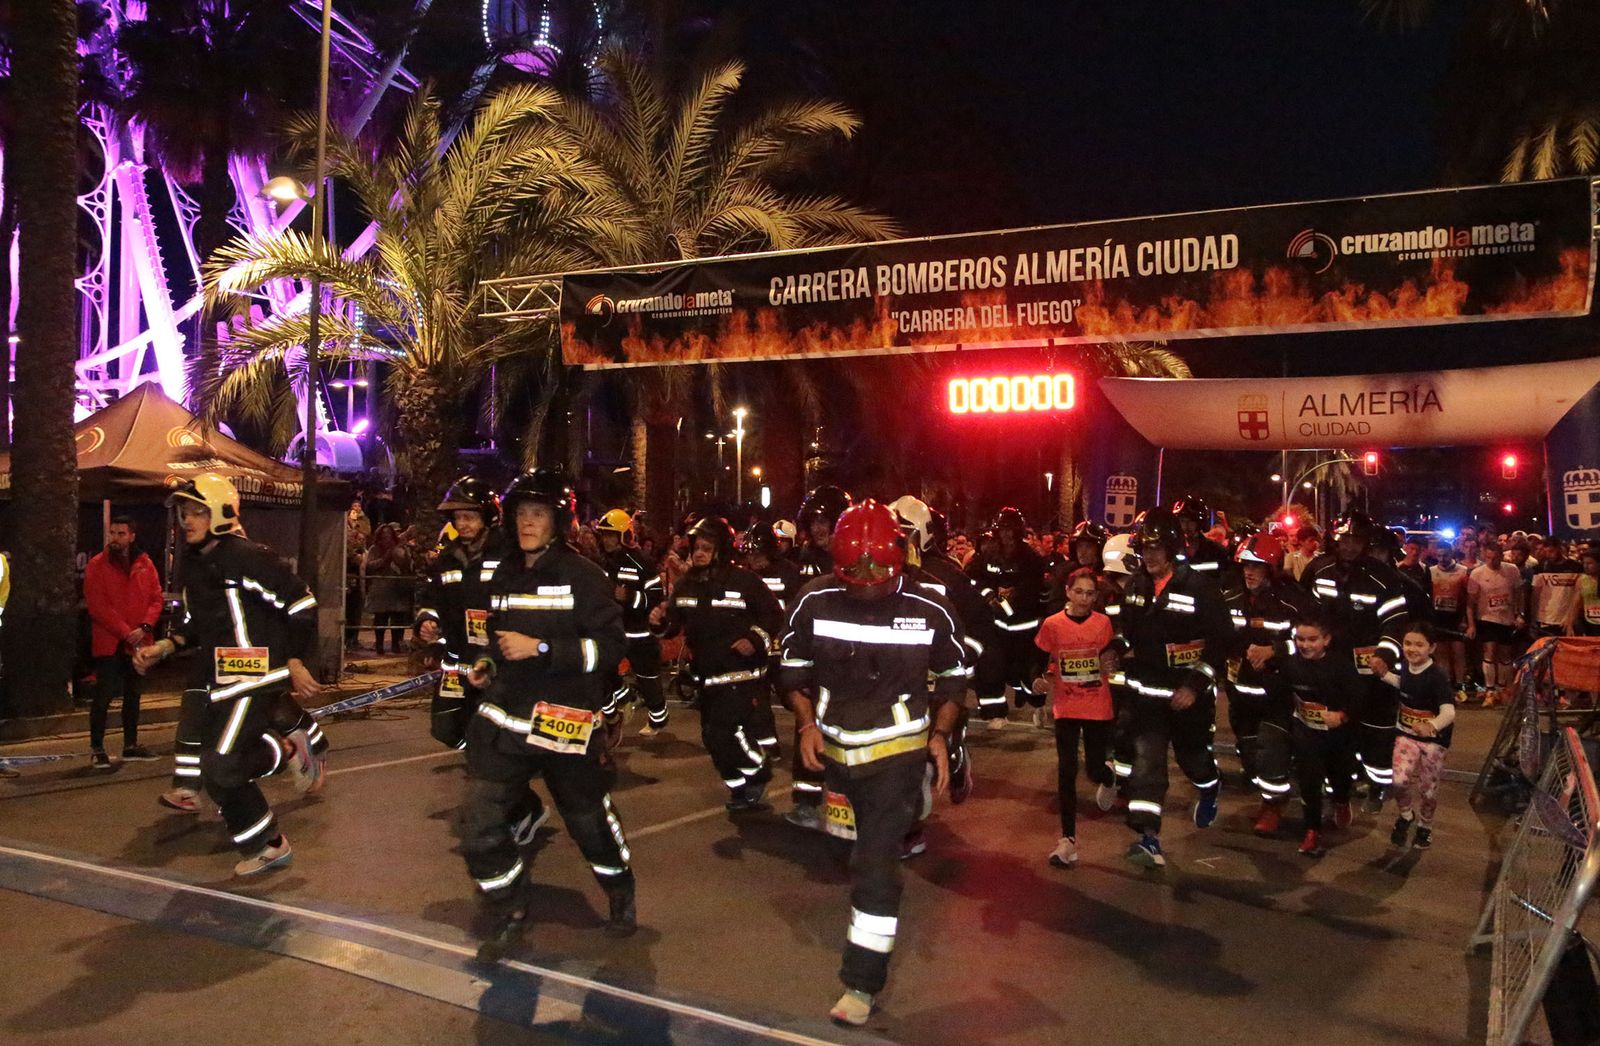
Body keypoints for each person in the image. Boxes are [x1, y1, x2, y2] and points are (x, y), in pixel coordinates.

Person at [778, 500, 968, 1026]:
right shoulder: (813, 601)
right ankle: (915, 805)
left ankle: (860, 984)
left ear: (900, 559)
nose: (866, 583)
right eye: (853, 573)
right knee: (844, 854)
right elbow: (791, 673)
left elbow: (954, 678)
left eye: (877, 572)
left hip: (896, 755)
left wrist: (940, 735)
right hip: (836, 754)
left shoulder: (931, 607)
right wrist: (807, 726)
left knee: (875, 869)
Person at [458, 468, 635, 960]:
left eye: (538, 514)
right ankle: (510, 904)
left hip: (566, 719)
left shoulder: (584, 576)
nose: (526, 523)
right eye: (520, 513)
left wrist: (541, 647)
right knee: (475, 824)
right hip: (507, 718)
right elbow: (498, 636)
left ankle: (619, 888)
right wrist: (488, 663)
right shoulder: (504, 572)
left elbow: (611, 649)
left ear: (559, 521)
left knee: (588, 824)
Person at [133, 474, 324, 876]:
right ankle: (277, 795)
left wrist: (294, 660)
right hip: (222, 681)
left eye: (197, 511)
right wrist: (165, 647)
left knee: (220, 765)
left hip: (257, 679)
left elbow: (301, 601)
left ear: (220, 512)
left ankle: (271, 843)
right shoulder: (196, 565)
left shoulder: (247, 556)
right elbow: (196, 625)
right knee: (216, 768)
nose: (188, 520)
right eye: (184, 512)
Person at [1115, 508, 1232, 868]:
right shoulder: (1135, 585)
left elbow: (1222, 641)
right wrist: (1117, 650)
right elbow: (1124, 628)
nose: (1149, 556)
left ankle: (1209, 786)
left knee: (1191, 757)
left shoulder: (1199, 587)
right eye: (1144, 548)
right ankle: (1148, 837)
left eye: (1156, 548)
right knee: (1147, 763)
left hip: (1187, 697)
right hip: (1147, 695)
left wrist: (1195, 686)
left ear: (1172, 548)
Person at [649, 516, 784, 810]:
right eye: (696, 546)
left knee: (724, 731)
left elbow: (774, 616)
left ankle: (758, 769)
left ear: (721, 549)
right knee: (712, 738)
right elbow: (674, 624)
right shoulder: (686, 585)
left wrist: (754, 639)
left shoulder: (745, 581)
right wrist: (660, 622)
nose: (698, 553)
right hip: (707, 676)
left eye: (706, 547)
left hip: (741, 674)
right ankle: (739, 786)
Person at [1301, 513, 1419, 812]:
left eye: (1356, 541)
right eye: (1345, 540)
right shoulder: (1319, 569)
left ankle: (1377, 784)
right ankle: (1338, 784)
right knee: (1335, 727)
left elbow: (1395, 623)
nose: (1350, 547)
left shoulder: (1383, 577)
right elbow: (1305, 615)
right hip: (1331, 666)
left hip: (1372, 671)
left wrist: (1385, 655)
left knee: (1376, 730)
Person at [899, 500, 989, 805]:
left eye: (904, 532)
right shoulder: (882, 576)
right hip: (901, 678)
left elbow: (980, 621)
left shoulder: (947, 576)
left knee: (943, 735)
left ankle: (956, 758)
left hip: (940, 678)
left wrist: (961, 658)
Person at [1222, 532, 1307, 836]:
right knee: (1249, 753)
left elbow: (1309, 643)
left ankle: (1273, 806)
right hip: (1239, 693)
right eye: (1245, 565)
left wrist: (1275, 651)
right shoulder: (1230, 599)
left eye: (1256, 566)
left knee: (1272, 749)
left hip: (1276, 696)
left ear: (1270, 570)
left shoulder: (1291, 603)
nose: (1249, 572)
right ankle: (1265, 789)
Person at [416, 477, 509, 749]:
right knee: (444, 727)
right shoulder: (448, 559)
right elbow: (432, 598)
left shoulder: (508, 556)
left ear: (489, 517)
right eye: (458, 517)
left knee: (489, 728)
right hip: (456, 662)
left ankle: (491, 763)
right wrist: (427, 621)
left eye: (469, 516)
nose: (462, 524)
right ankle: (480, 755)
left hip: (493, 662)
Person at [1034, 568, 1117, 868]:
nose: (1084, 598)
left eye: (1090, 593)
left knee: (1093, 769)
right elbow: (1041, 658)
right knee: (1066, 770)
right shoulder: (1053, 625)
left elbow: (1111, 657)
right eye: (1079, 592)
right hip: (1066, 706)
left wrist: (1111, 662)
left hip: (1097, 704)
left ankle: (1109, 776)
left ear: (1097, 597)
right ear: (1068, 592)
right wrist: (1039, 679)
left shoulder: (1104, 624)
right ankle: (1067, 839)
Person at [1261, 612, 1361, 857]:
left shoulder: (1341, 667)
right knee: (1309, 782)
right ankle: (1312, 831)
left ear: (1326, 640)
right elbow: (1280, 692)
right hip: (1307, 735)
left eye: (1312, 639)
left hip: (1339, 738)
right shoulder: (1291, 665)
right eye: (1300, 639)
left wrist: (1342, 716)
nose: (1305, 645)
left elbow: (1360, 699)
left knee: (1340, 777)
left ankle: (1340, 800)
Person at [785, 486, 853, 824]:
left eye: (825, 520)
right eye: (814, 521)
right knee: (807, 722)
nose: (819, 528)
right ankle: (807, 798)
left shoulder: (855, 557)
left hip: (849, 657)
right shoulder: (803, 561)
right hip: (814, 657)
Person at [83, 515, 164, 769]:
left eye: (121, 533)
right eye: (113, 533)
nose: (115, 538)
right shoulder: (97, 564)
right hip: (111, 642)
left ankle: (131, 745)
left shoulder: (145, 563)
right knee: (104, 695)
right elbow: (98, 606)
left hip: (139, 641)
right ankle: (97, 747)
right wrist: (126, 631)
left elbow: (155, 598)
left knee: (133, 694)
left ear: (131, 536)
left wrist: (145, 627)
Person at [1371, 622, 1455, 851]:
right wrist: (1385, 675)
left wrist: (1432, 725)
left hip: (1434, 742)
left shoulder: (1437, 677)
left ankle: (1425, 826)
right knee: (1398, 780)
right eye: (1408, 643)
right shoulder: (1405, 667)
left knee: (1428, 789)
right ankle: (1406, 816)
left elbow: (1449, 711)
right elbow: (1404, 684)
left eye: (1419, 645)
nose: (1412, 649)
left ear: (1432, 648)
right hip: (1406, 734)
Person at [966, 507, 1045, 729]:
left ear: (1018, 532)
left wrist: (1006, 607)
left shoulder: (1031, 558)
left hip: (1024, 628)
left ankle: (1035, 702)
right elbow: (973, 579)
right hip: (996, 627)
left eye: (1011, 530)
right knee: (991, 668)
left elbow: (1030, 591)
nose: (1006, 535)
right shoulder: (988, 555)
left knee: (1026, 672)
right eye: (1002, 530)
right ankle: (995, 713)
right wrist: (989, 597)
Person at [595, 508, 669, 735]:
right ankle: (621, 703)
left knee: (648, 680)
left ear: (624, 535)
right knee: (600, 672)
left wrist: (630, 597)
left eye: (611, 535)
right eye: (604, 535)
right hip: (611, 631)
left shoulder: (642, 562)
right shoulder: (601, 562)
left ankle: (658, 718)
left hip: (639, 633)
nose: (607, 540)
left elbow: (656, 598)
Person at [741, 522, 803, 757]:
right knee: (757, 696)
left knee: (792, 695)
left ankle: (810, 731)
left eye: (757, 553)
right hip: (758, 645)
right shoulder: (746, 575)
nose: (753, 559)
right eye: (750, 554)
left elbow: (797, 608)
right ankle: (769, 744)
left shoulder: (789, 572)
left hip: (784, 644)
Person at [1467, 541, 1524, 707]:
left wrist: (1519, 614)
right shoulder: (1477, 574)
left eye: (1495, 557)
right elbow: (1470, 603)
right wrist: (1471, 624)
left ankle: (1501, 688)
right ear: (1484, 555)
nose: (1491, 561)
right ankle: (1490, 690)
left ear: (1501, 555)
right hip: (1486, 618)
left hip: (1506, 618)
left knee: (1505, 655)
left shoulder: (1512, 570)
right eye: (1488, 557)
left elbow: (1519, 593)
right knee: (1489, 651)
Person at [362, 523, 415, 654]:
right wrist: (385, 559)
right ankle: (379, 645)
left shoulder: (398, 547)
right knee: (381, 618)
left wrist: (403, 553)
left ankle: (396, 644)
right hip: (381, 587)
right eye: (384, 533)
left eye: (389, 533)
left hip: (397, 587)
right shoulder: (375, 549)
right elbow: (370, 565)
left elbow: (406, 564)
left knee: (397, 618)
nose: (387, 536)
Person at [1428, 543, 1470, 695]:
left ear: (1451, 553)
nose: (1442, 558)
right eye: (1439, 555)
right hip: (1438, 618)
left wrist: (1466, 619)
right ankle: (1445, 685)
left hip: (1456, 617)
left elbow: (1468, 598)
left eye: (1445, 555)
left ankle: (1460, 684)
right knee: (1441, 653)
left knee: (1458, 651)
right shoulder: (1431, 571)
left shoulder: (1463, 571)